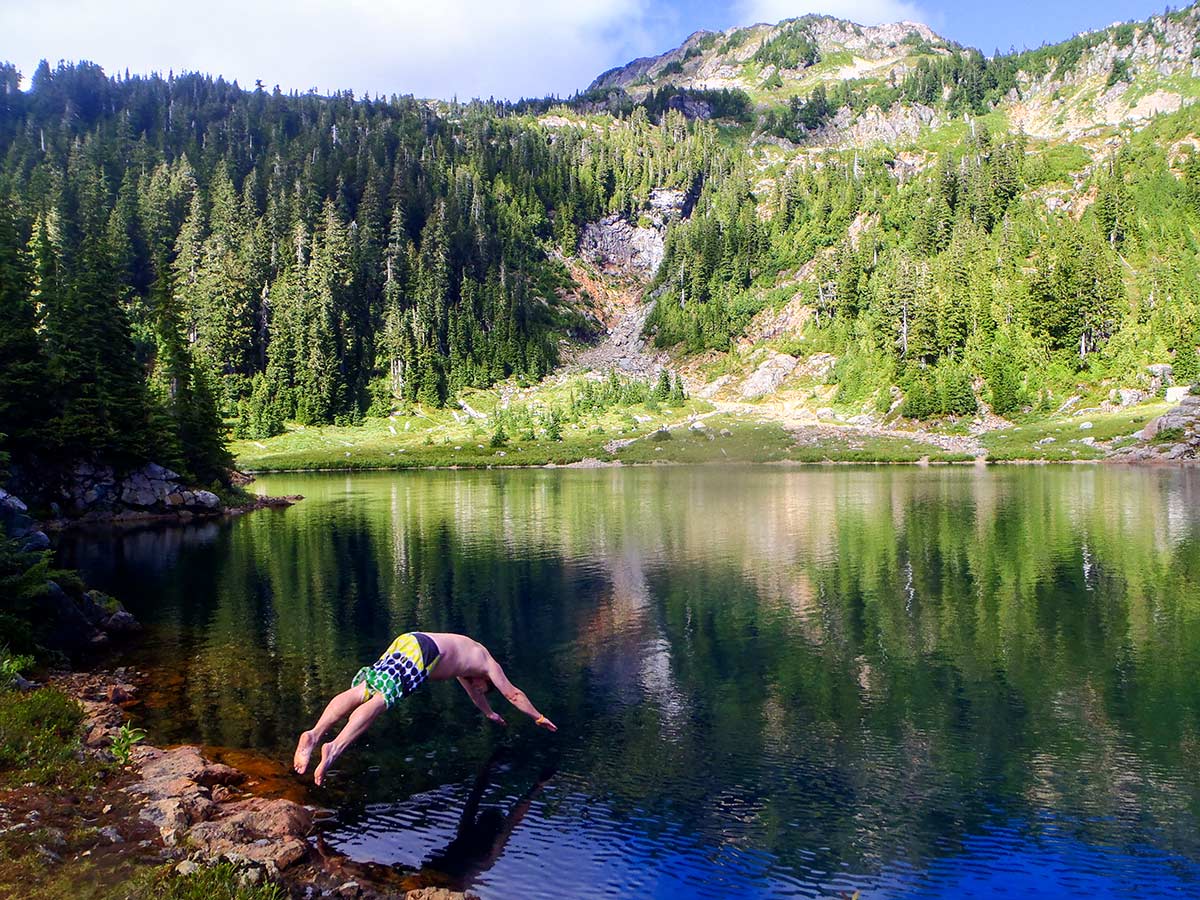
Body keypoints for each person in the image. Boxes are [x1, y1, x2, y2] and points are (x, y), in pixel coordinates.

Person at [293, 632, 557, 785]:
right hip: (423, 653)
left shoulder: (469, 660)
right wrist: (538, 717)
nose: (478, 688)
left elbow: (475, 697)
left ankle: (314, 734)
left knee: (365, 689)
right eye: (482, 687)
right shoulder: (489, 664)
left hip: (408, 640)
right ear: (486, 680)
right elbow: (513, 694)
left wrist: (488, 713)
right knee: (382, 698)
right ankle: (334, 748)